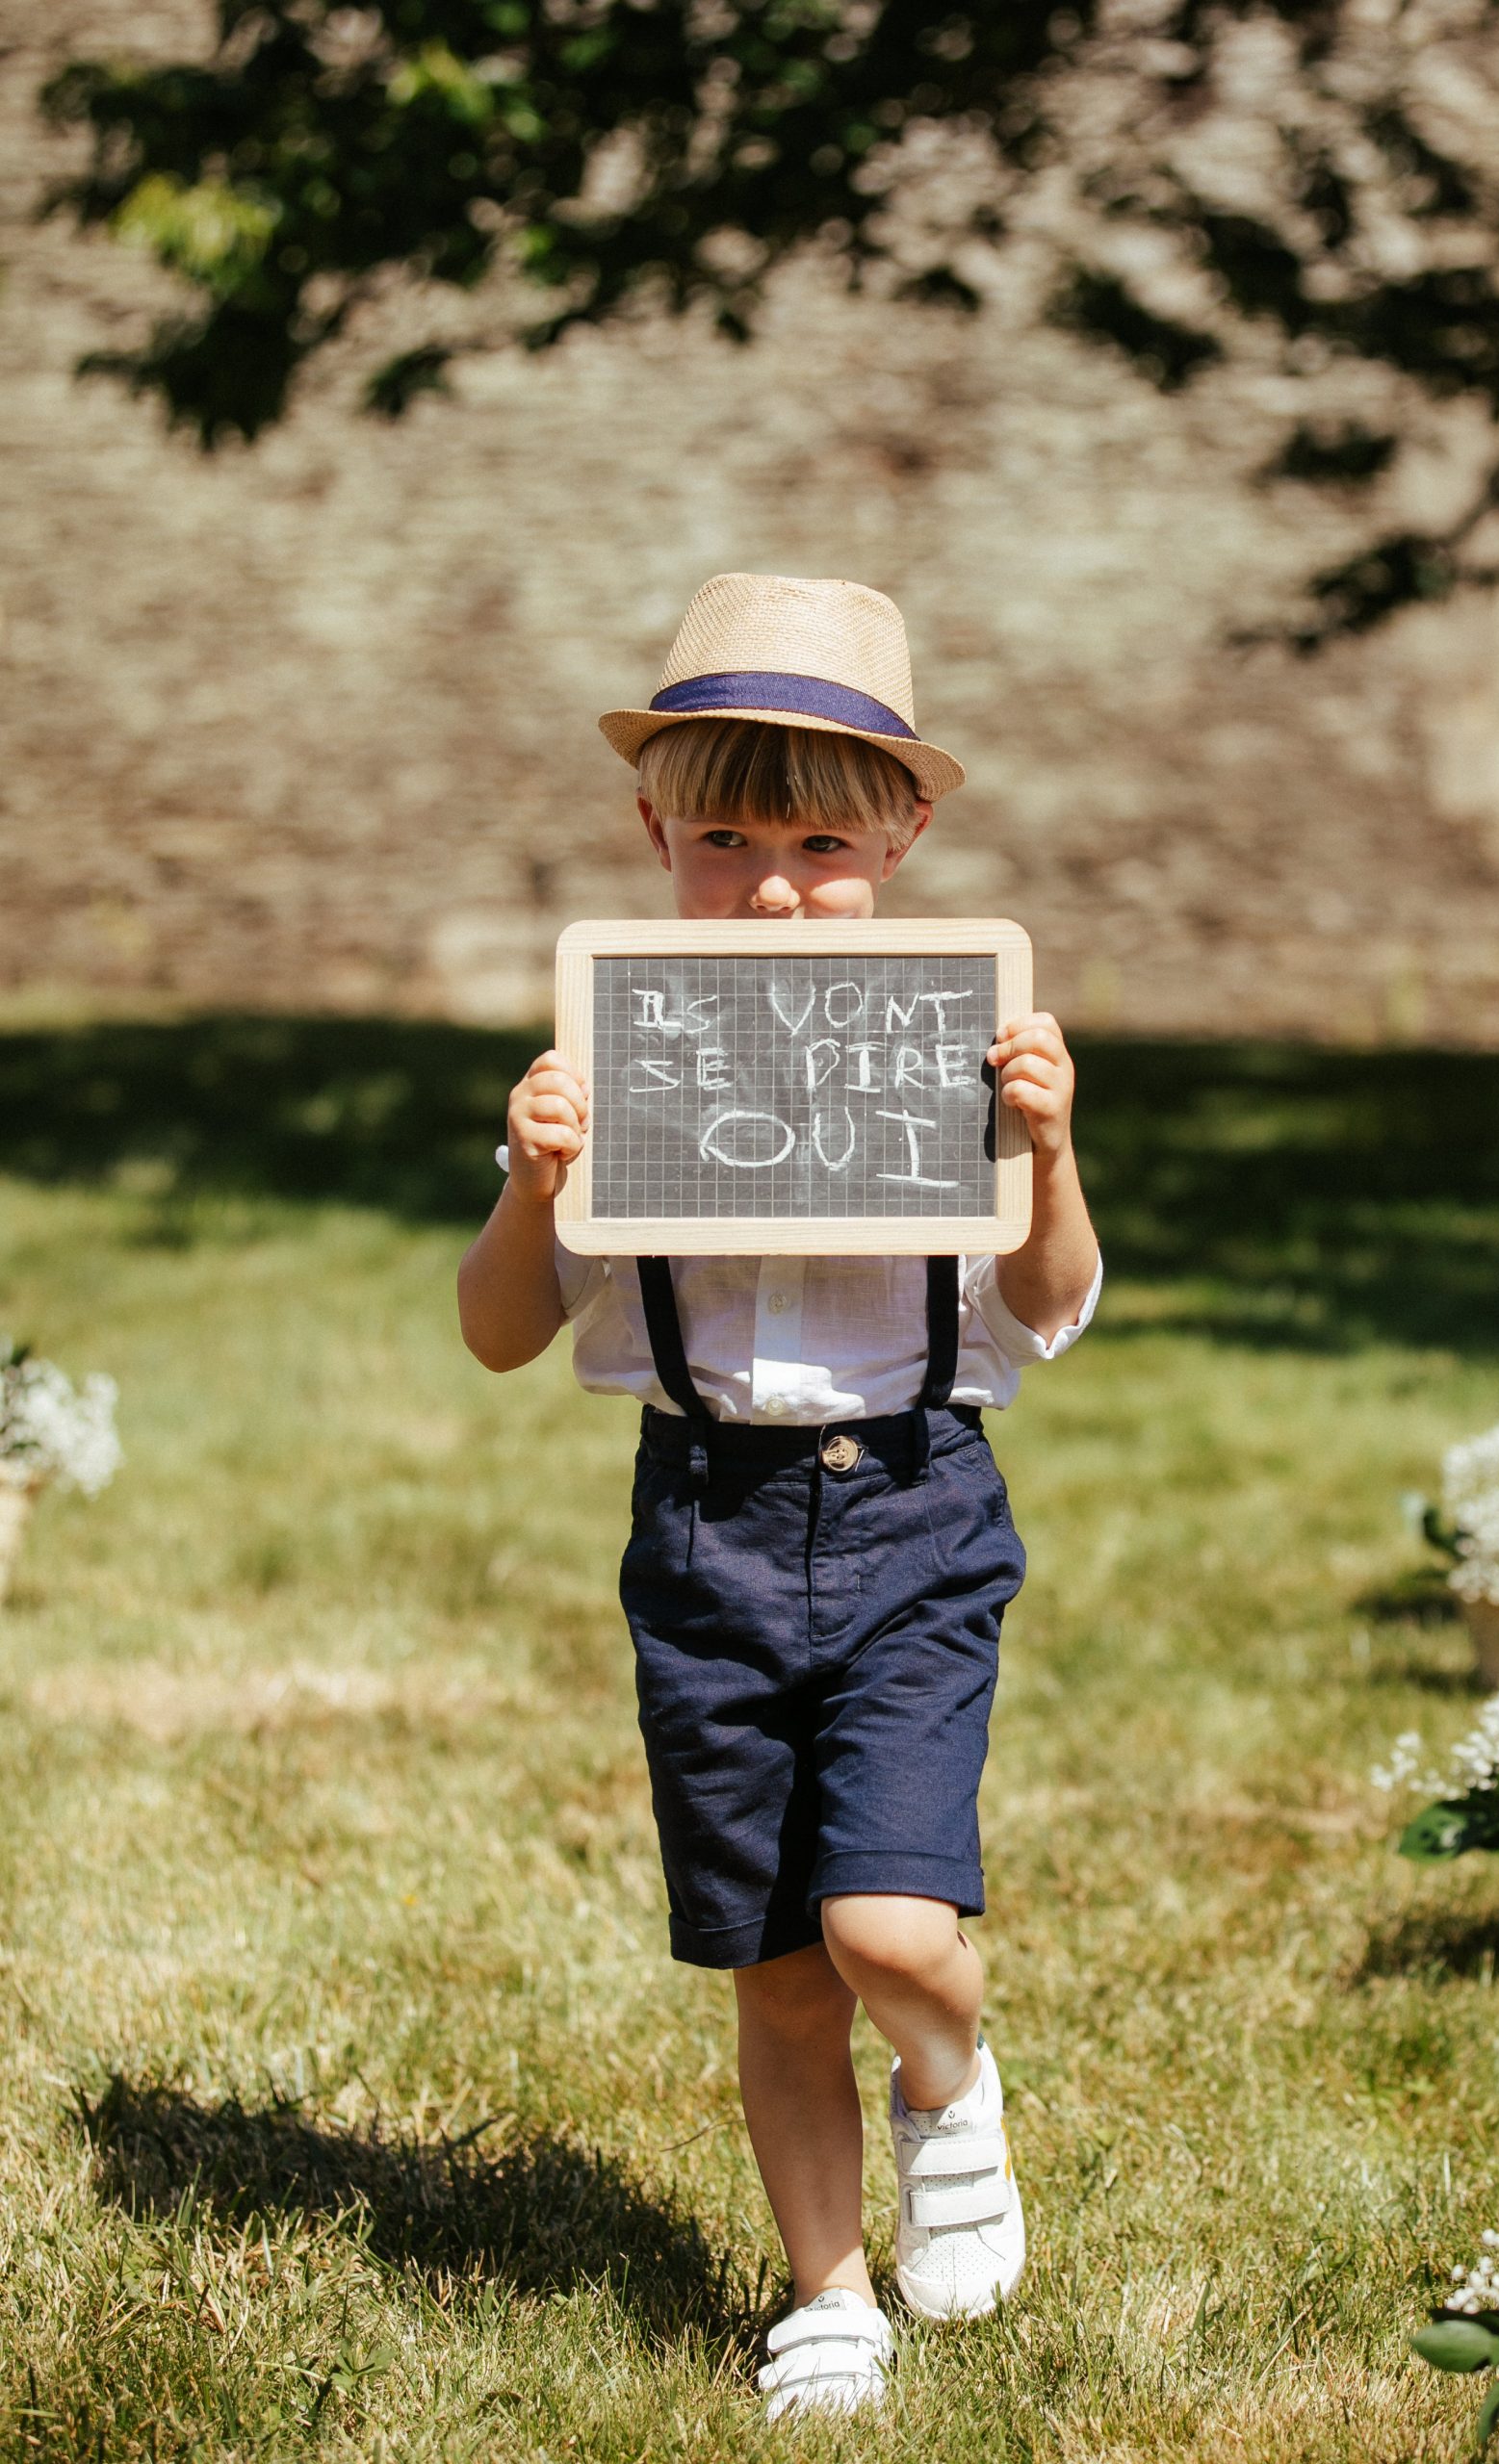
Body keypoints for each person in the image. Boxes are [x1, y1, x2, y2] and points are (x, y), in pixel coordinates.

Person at [457, 573, 1101, 2421]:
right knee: (772, 1968)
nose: (770, 884)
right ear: (654, 829)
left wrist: (1049, 1156)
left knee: (888, 1931)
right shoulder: (617, 1058)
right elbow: (505, 1333)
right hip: (706, 1529)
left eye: (822, 838)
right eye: (725, 834)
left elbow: (1048, 1309)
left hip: (909, 1506)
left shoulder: (962, 1050)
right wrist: (530, 1180)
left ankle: (950, 2085)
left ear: (906, 832)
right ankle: (829, 2294)